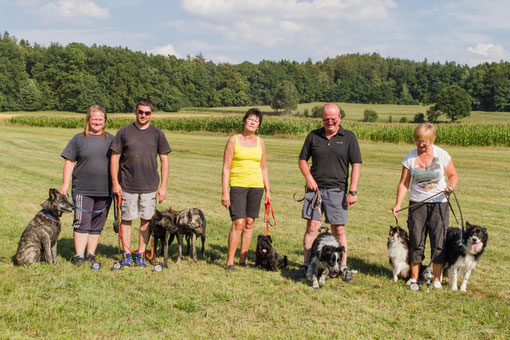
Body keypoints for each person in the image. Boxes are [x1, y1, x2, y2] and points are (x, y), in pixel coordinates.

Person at [295, 103, 362, 281]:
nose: (330, 122)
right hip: (315, 190)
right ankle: (307, 265)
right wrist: (308, 178)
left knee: (338, 230)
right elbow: (302, 160)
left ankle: (343, 267)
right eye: (326, 119)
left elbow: (356, 165)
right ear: (322, 119)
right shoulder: (313, 136)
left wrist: (353, 191)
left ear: (339, 118)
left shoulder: (349, 137)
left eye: (333, 119)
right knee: (312, 228)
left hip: (337, 191)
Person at [392, 123, 458, 290]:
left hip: (439, 204)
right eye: (417, 141)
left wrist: (451, 186)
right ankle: (414, 278)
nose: (420, 145)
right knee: (416, 240)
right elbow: (404, 183)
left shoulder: (442, 155)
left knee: (438, 241)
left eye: (424, 141)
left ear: (432, 139)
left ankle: (436, 279)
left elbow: (453, 175)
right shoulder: (410, 158)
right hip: (417, 204)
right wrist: (398, 203)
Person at [110, 99, 171, 267]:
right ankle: (127, 254)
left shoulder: (158, 134)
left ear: (151, 114)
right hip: (127, 185)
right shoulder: (123, 132)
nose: (143, 115)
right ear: (135, 112)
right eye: (141, 112)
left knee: (146, 221)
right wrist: (116, 183)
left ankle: (141, 255)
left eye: (147, 113)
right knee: (127, 219)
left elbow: (164, 160)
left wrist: (163, 186)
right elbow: (114, 159)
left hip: (149, 186)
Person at [60, 105, 114, 266]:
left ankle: (90, 254)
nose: (97, 122)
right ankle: (79, 255)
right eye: (94, 119)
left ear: (105, 121)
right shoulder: (78, 139)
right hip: (83, 188)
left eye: (100, 119)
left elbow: (118, 163)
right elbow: (69, 162)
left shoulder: (112, 139)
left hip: (105, 189)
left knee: (97, 223)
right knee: (82, 221)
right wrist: (65, 183)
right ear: (88, 120)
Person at [221, 108, 271, 271]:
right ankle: (230, 261)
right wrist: (225, 192)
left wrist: (268, 190)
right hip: (238, 186)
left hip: (256, 186)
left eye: (256, 121)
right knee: (238, 223)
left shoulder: (260, 142)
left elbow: (263, 168)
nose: (252, 122)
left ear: (258, 126)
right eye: (250, 119)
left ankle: (242, 260)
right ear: (244, 122)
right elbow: (226, 168)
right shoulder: (233, 140)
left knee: (249, 223)